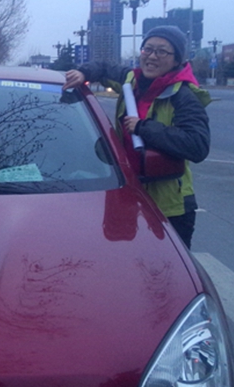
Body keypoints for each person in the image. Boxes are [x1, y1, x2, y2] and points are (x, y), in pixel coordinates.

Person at [63, 25, 210, 248]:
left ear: (176, 60)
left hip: (170, 207)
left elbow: (197, 145)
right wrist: (84, 72)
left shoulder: (184, 96)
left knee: (165, 266)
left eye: (162, 51)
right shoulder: (131, 80)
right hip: (126, 192)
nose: (152, 56)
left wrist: (143, 127)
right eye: (147, 49)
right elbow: (103, 68)